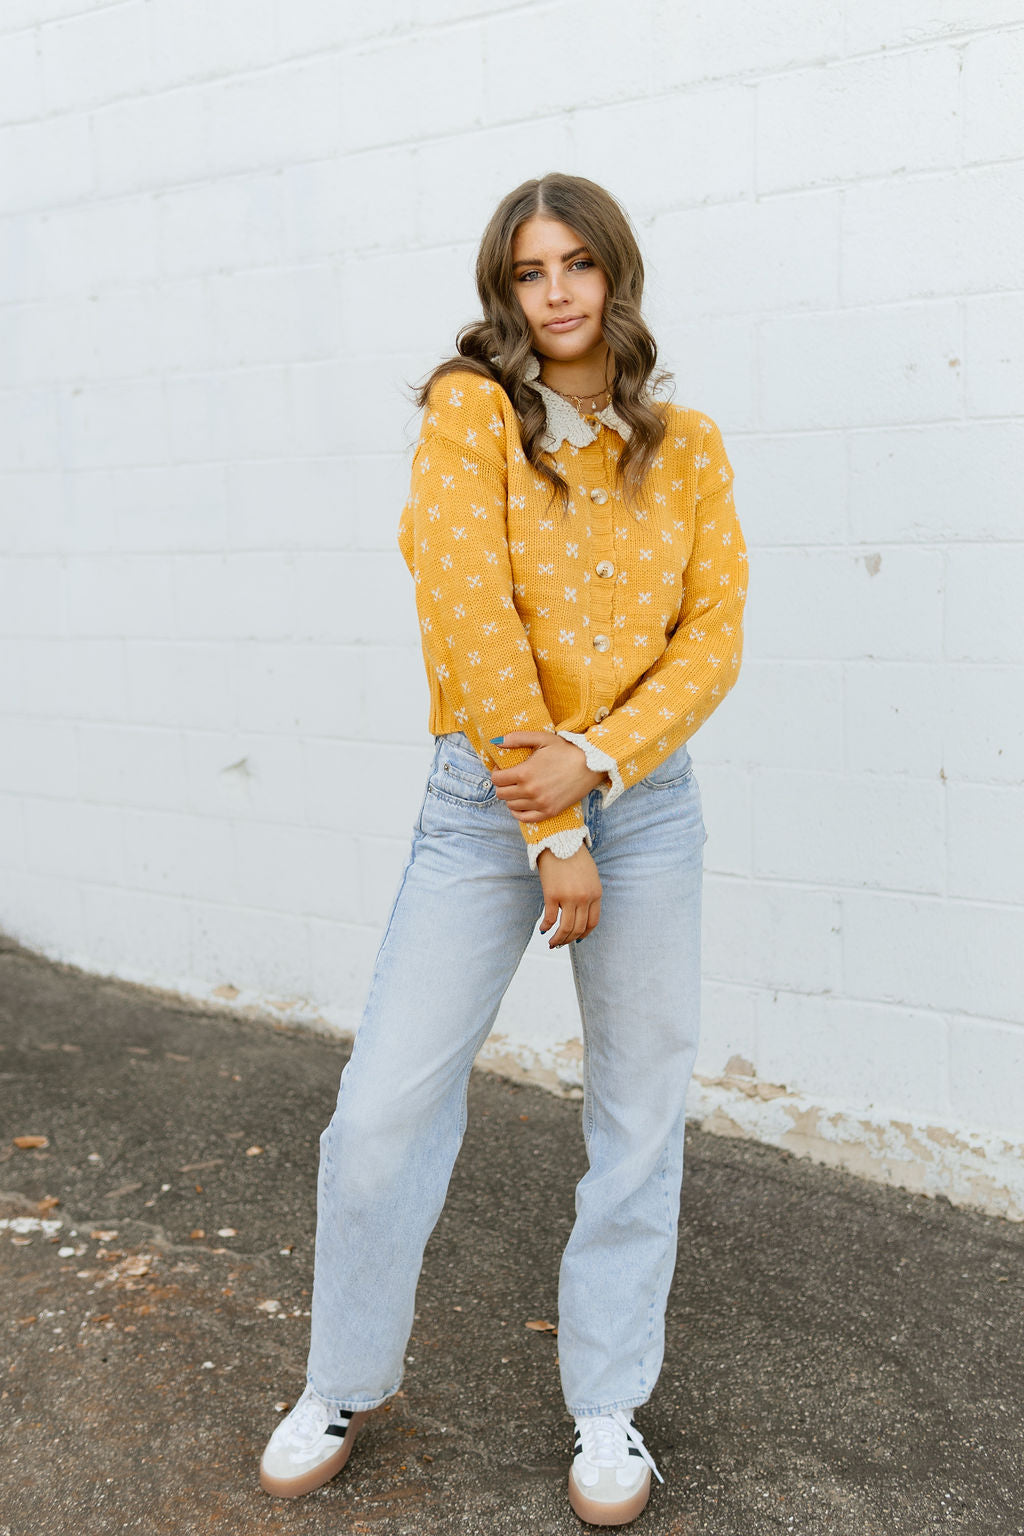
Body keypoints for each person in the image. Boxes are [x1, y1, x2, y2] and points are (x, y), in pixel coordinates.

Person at [258, 172, 747, 1526]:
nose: (558, 291)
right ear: (506, 290)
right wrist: (551, 826)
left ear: (616, 277)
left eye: (580, 265)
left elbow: (713, 637)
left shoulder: (688, 445)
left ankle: (609, 1408)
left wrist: (597, 765)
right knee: (382, 1113)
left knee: (639, 1118)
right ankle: (345, 1379)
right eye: (531, 271)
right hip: (490, 806)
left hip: (641, 801)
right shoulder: (470, 415)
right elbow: (468, 618)